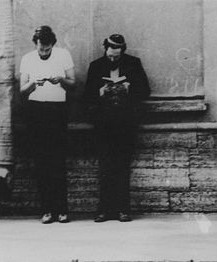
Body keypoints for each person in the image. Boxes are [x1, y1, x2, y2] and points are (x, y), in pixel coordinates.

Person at [84, 34, 150, 222]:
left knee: (122, 167)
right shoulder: (96, 66)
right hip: (104, 124)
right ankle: (104, 210)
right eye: (110, 56)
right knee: (105, 167)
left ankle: (123, 209)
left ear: (123, 51)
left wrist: (129, 88)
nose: (113, 59)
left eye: (116, 56)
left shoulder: (133, 64)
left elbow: (145, 90)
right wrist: (100, 92)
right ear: (105, 50)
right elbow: (86, 96)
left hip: (125, 123)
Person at [20, 25, 76, 224]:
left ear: (53, 44)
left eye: (47, 49)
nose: (43, 52)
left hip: (57, 110)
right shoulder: (27, 59)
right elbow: (22, 90)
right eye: (40, 48)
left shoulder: (63, 55)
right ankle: (46, 210)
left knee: (58, 161)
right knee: (41, 161)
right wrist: (34, 84)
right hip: (35, 111)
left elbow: (73, 83)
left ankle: (61, 209)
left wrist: (60, 79)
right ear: (35, 44)